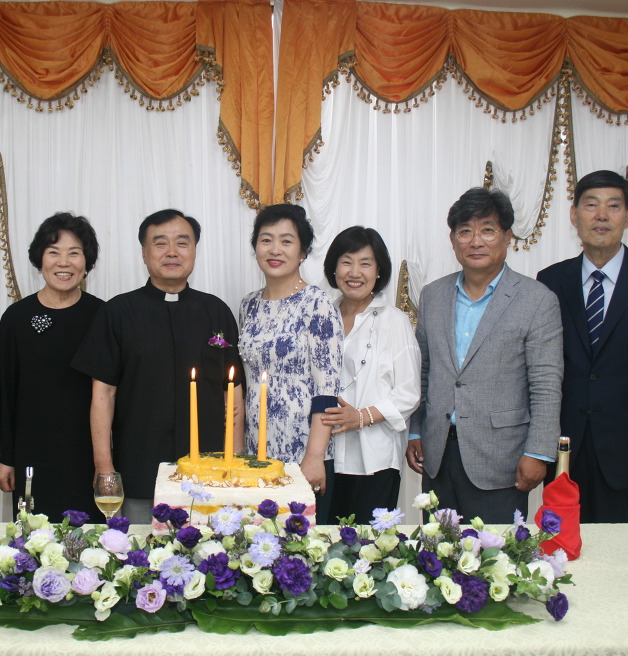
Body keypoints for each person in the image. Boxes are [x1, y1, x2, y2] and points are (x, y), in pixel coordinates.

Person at [72, 209, 243, 524]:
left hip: (209, 473)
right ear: (144, 253)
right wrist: (104, 468)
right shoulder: (118, 313)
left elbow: (232, 394)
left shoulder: (216, 311)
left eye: (182, 243)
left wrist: (235, 463)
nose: (172, 252)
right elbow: (103, 395)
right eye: (160, 243)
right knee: (137, 551)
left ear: (194, 250)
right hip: (139, 471)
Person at [405, 187, 562, 523]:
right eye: (465, 231)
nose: (476, 241)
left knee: (496, 552)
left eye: (488, 230)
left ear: (507, 236)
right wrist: (416, 431)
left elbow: (546, 384)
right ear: (453, 240)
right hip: (437, 453)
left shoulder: (537, 300)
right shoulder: (433, 295)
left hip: (502, 457)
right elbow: (423, 372)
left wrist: (538, 452)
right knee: (436, 550)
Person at [538, 170, 628, 523]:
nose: (601, 215)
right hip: (563, 447)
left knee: (622, 547)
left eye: (613, 206)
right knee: (561, 546)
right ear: (574, 215)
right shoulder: (551, 280)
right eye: (591, 205)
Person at [0, 213, 104, 521]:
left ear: (86, 261)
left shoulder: (102, 316)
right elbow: (3, 392)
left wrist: (108, 462)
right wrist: (3, 457)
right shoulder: (16, 317)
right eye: (54, 252)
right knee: (34, 540)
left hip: (87, 455)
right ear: (40, 259)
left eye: (74, 253)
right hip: (30, 453)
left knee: (88, 538)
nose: (63, 262)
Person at [239, 204, 343, 522]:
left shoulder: (318, 303)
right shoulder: (248, 305)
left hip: (303, 454)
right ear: (255, 247)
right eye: (266, 239)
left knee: (301, 546)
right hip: (255, 454)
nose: (275, 249)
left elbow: (327, 390)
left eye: (286, 241)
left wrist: (314, 457)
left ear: (302, 252)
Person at [320, 226, 420, 523]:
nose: (355, 272)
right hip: (323, 454)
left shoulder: (394, 321)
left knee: (368, 544)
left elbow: (409, 393)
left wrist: (361, 417)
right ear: (334, 268)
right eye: (346, 262)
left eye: (365, 263)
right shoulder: (322, 316)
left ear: (379, 271)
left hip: (374, 457)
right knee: (321, 540)